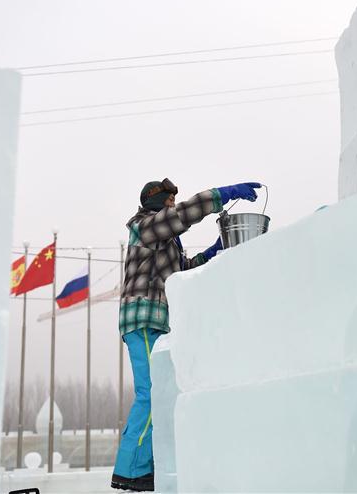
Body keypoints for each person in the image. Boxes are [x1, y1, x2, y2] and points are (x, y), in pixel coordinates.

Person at [111, 177, 261, 492]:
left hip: (158, 322)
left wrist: (215, 250)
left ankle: (145, 465)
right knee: (150, 393)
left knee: (161, 393)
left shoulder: (162, 240)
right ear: (155, 203)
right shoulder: (144, 226)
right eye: (167, 201)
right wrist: (222, 195)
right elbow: (182, 214)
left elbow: (183, 268)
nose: (170, 206)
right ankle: (131, 469)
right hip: (145, 317)